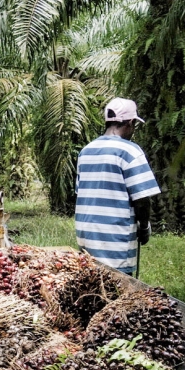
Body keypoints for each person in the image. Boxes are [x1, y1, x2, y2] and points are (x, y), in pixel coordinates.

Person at [74, 98, 161, 274]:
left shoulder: (86, 151)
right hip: (115, 241)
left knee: (90, 281)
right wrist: (144, 227)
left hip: (86, 239)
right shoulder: (130, 151)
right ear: (129, 123)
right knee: (118, 285)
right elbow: (142, 199)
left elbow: (80, 193)